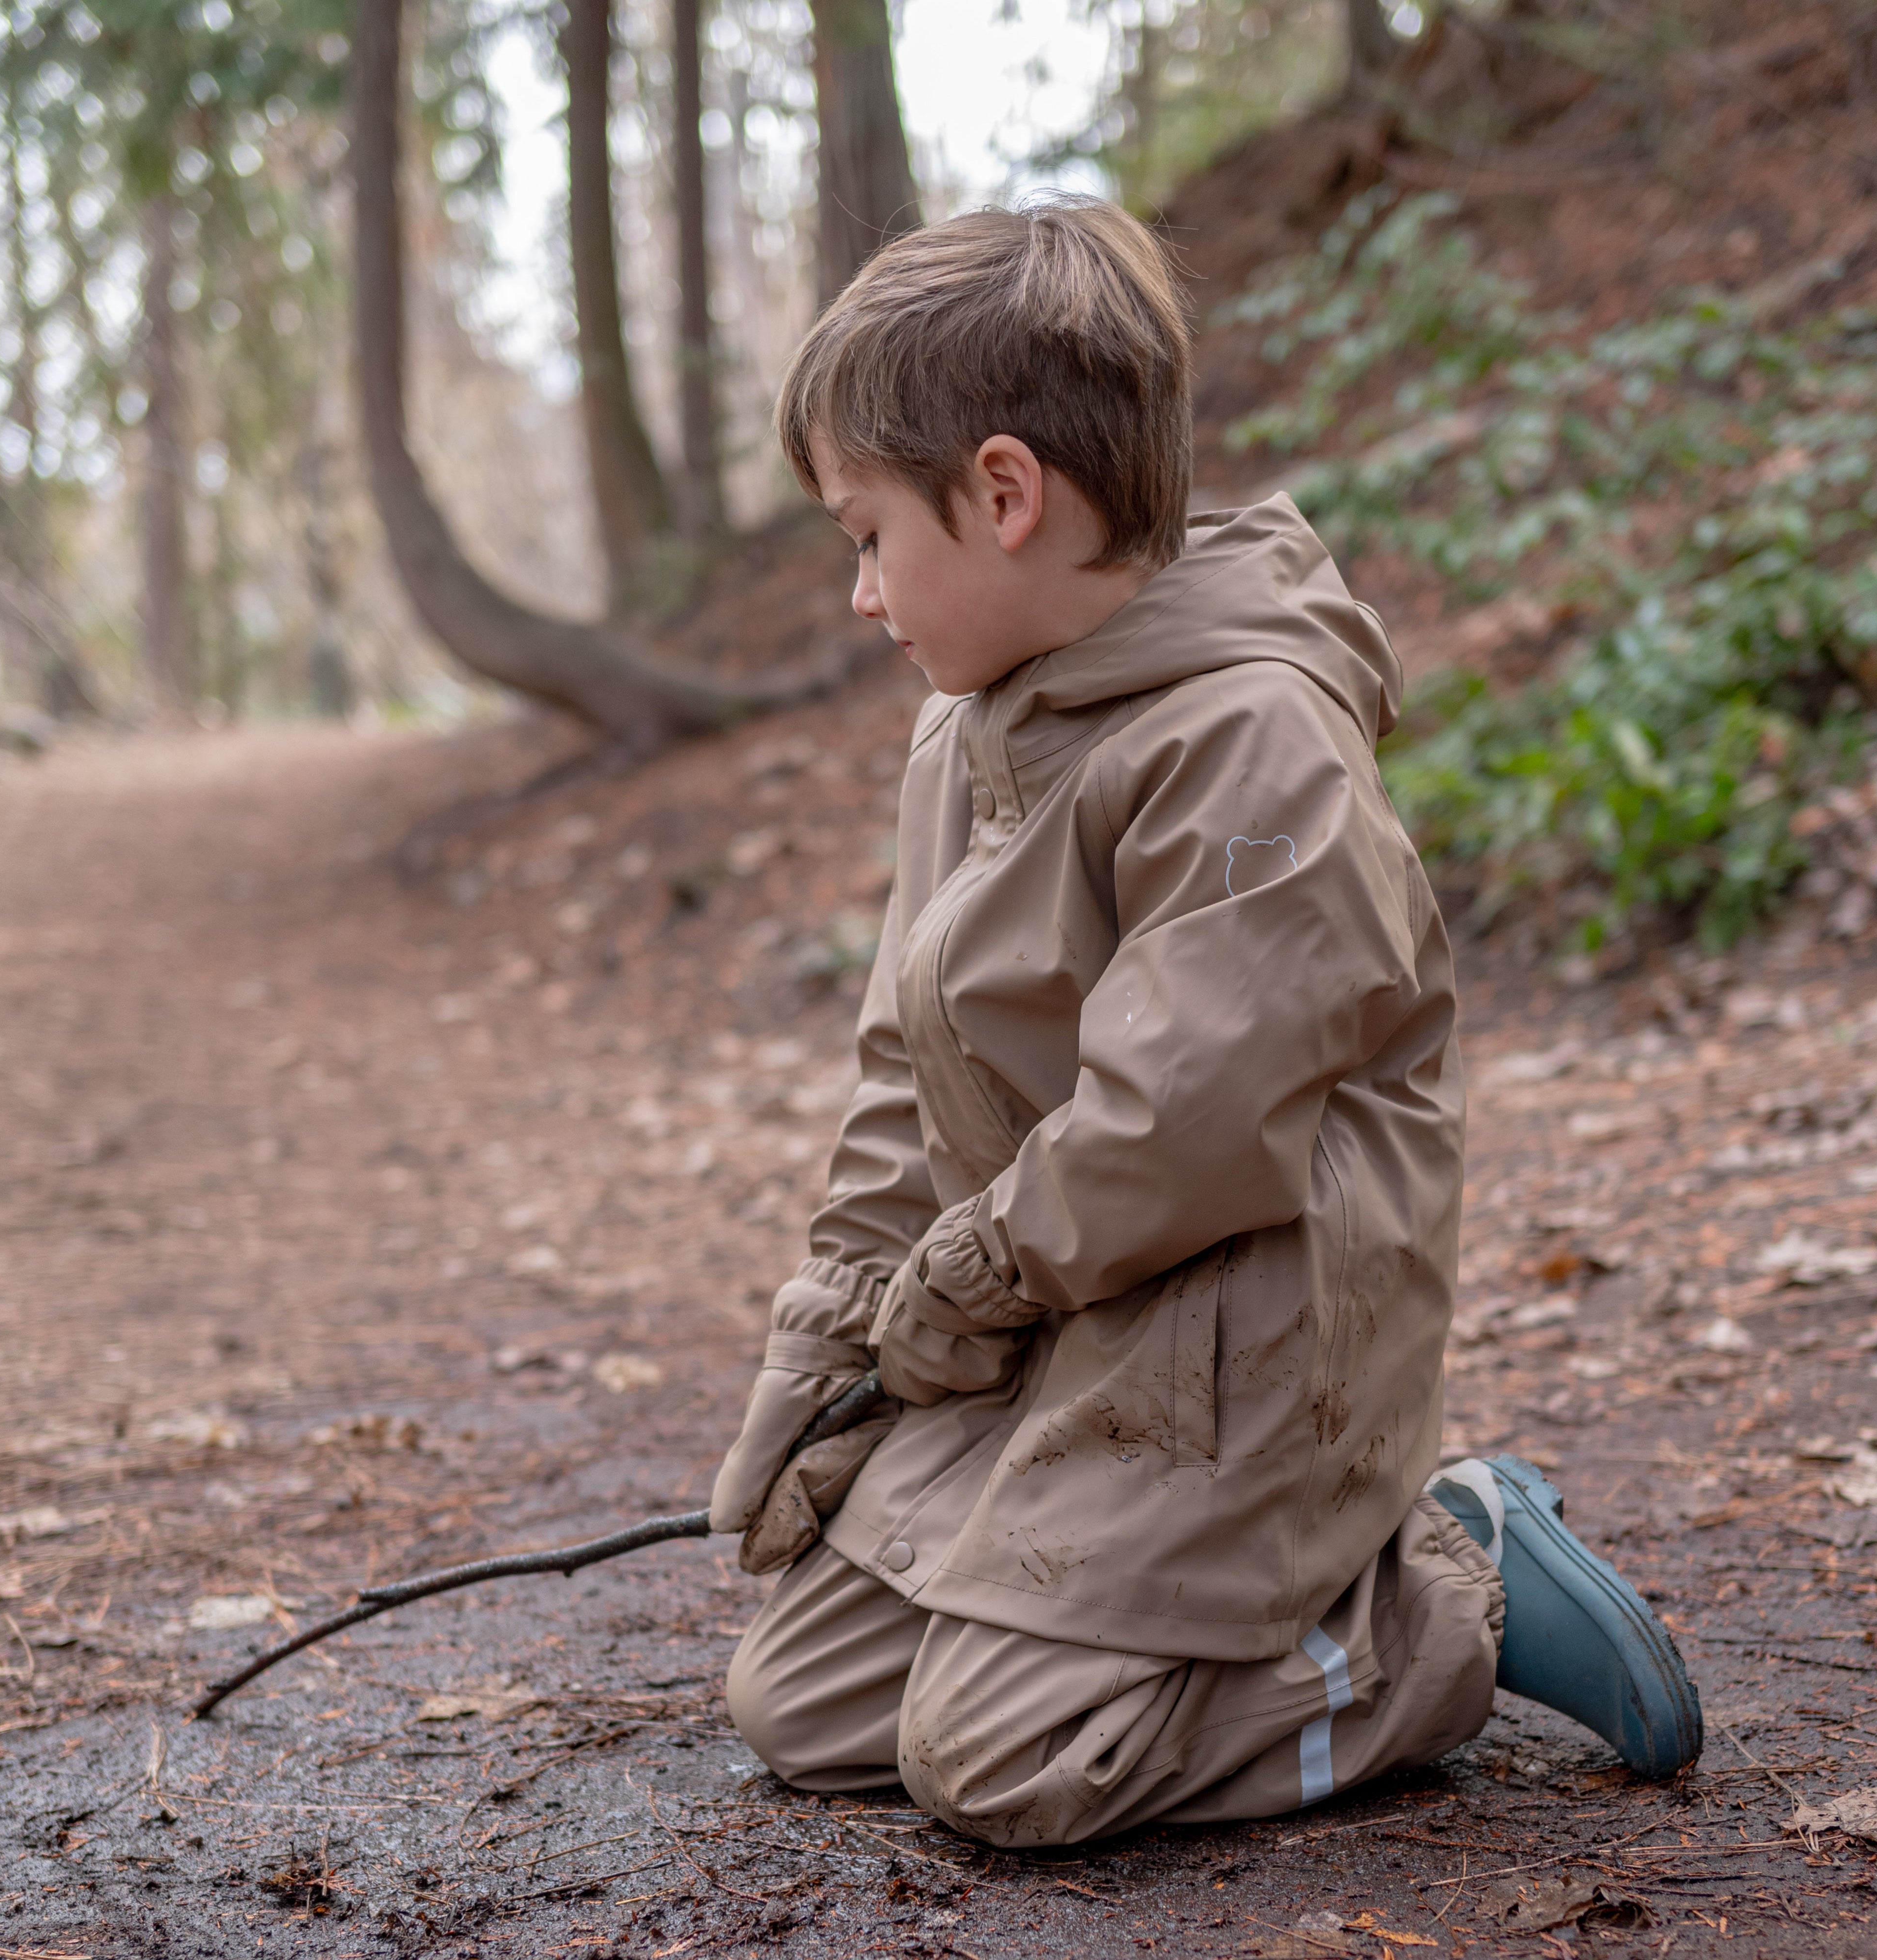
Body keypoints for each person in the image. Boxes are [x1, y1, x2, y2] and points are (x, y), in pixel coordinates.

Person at [707, 199, 1701, 1847]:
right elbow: (906, 1068)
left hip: (1250, 1343)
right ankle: (1156, 1627)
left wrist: (961, 1285)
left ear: (1007, 495)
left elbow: (1185, 1126)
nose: (863, 598)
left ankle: (1445, 1592)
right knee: (801, 1701)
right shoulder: (968, 745)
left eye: (870, 536)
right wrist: (824, 1349)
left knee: (1009, 1767)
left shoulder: (1255, 745)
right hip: (1070, 1323)